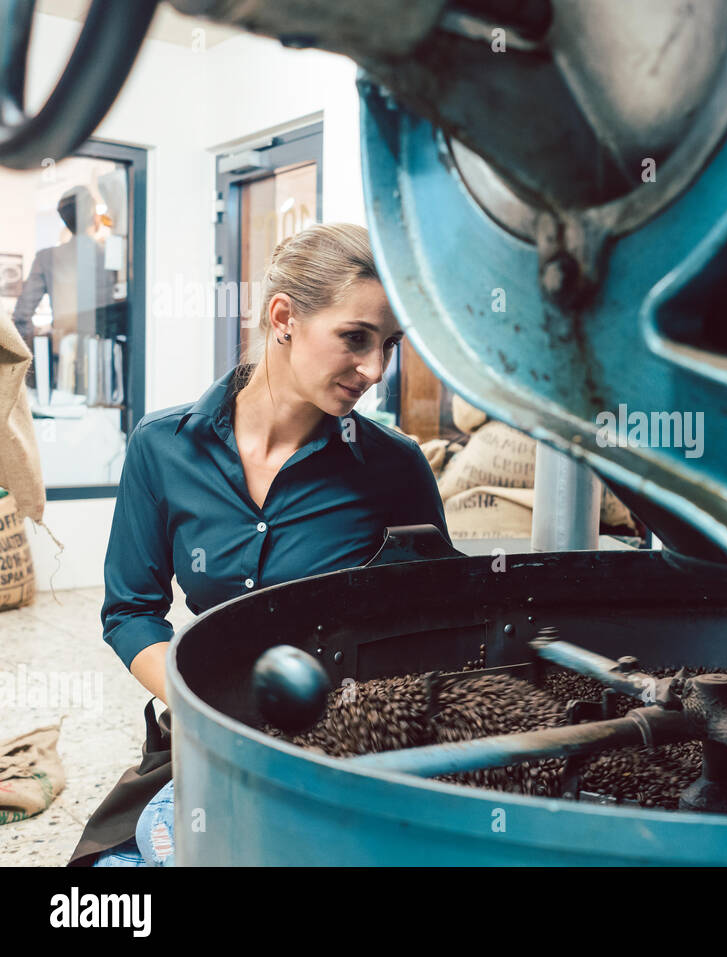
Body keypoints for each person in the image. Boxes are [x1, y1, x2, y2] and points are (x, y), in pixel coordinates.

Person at [66, 223, 452, 866]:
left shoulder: (394, 466)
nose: (376, 370)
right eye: (355, 339)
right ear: (284, 318)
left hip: (344, 751)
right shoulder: (163, 448)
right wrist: (211, 709)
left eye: (389, 345)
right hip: (205, 738)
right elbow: (130, 612)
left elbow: (441, 620)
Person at [10, 186, 116, 390]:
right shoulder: (110, 257)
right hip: (105, 365)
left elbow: (22, 316)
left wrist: (33, 364)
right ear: (93, 217)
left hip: (62, 362)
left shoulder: (47, 258)